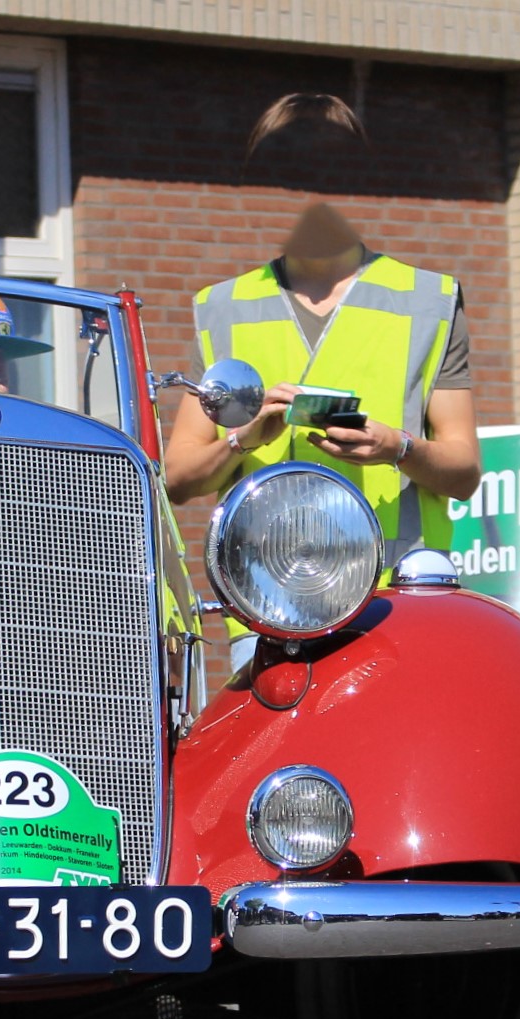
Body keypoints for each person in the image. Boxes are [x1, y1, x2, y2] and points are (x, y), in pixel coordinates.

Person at [164, 93, 483, 673]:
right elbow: (180, 479)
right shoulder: (224, 309)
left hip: (398, 602)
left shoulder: (428, 302)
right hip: (267, 607)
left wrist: (397, 447)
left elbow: (463, 472)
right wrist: (245, 437)